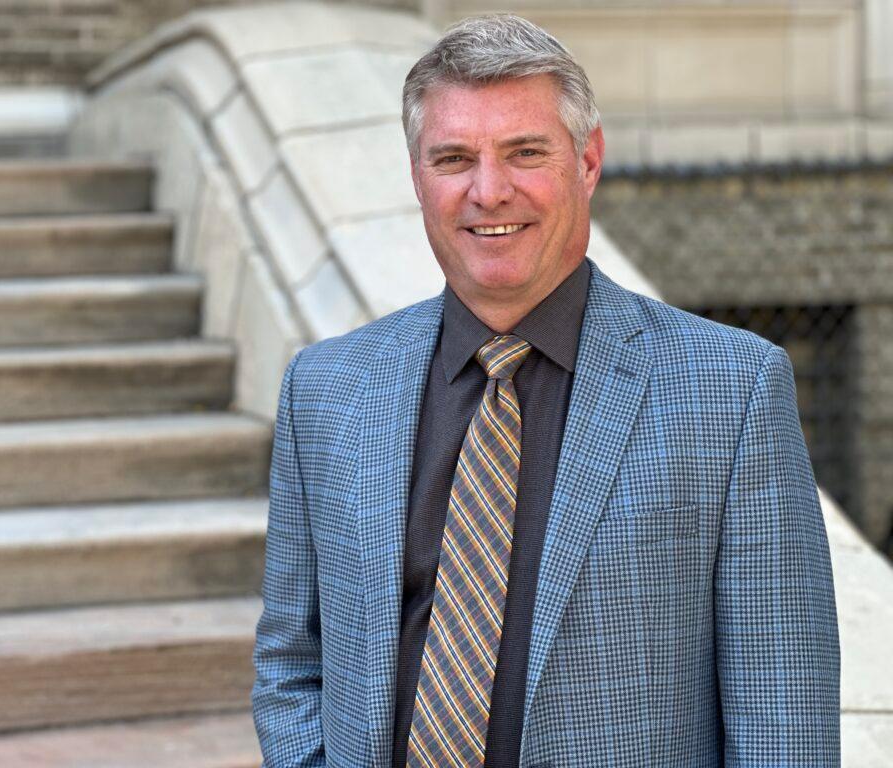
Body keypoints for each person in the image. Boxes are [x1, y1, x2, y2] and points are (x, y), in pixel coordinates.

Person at [252, 13, 840, 768]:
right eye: (454, 157)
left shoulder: (734, 392)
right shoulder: (326, 389)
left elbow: (784, 715)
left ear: (588, 161)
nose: (488, 191)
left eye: (525, 153)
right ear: (417, 177)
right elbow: (292, 662)